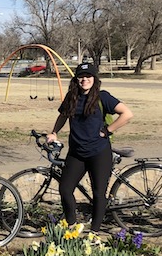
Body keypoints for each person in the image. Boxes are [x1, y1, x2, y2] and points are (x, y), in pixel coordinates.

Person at [46, 62, 133, 233]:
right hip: (76, 153)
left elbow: (127, 114)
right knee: (65, 189)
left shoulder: (103, 97)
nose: (84, 79)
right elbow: (63, 115)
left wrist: (108, 130)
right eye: (81, 76)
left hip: (99, 152)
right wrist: (54, 132)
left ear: (94, 79)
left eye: (88, 76)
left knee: (99, 194)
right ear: (76, 79)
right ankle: (71, 226)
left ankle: (94, 233)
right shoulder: (72, 97)